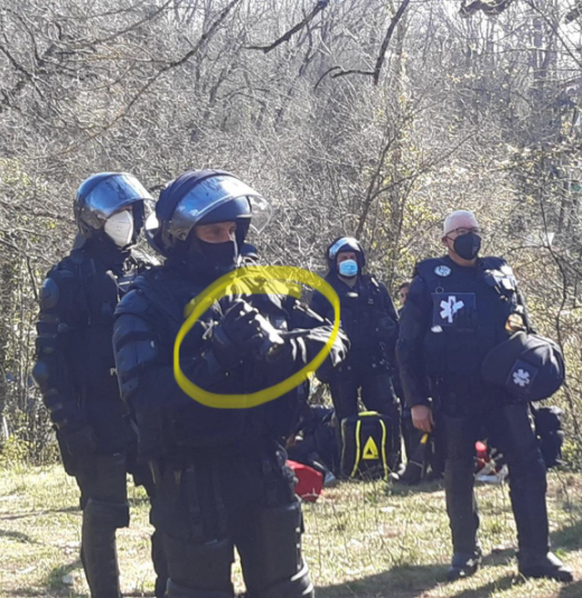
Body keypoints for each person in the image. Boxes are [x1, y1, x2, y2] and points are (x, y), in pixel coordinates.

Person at [112, 169, 348, 598]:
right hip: (191, 476)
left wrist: (280, 348)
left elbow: (334, 342)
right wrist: (216, 355)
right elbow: (143, 394)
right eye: (213, 231)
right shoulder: (146, 300)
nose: (227, 241)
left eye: (233, 229)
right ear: (182, 235)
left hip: (264, 463)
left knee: (286, 587)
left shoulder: (263, 285)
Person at [396, 209, 573, 582]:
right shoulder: (429, 278)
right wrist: (416, 400)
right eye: (459, 232)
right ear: (446, 240)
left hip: (506, 394)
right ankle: (464, 553)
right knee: (458, 473)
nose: (468, 238)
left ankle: (536, 555)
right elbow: (407, 345)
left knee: (529, 468)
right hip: (454, 396)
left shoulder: (500, 273)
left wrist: (538, 372)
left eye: (473, 231)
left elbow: (526, 330)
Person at [32, 173, 168, 597]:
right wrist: (70, 425)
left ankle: (175, 585)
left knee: (173, 505)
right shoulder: (67, 279)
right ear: (94, 219)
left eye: (132, 212)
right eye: (118, 213)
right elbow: (48, 366)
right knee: (104, 511)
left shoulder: (149, 272)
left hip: (146, 413)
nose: (127, 220)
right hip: (94, 415)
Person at [310, 237, 401, 470]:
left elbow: (394, 323)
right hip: (342, 365)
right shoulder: (323, 292)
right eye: (343, 258)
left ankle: (392, 462)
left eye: (352, 258)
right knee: (345, 416)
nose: (348, 262)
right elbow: (312, 331)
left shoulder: (375, 288)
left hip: (374, 362)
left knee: (389, 409)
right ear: (334, 261)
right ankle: (347, 465)